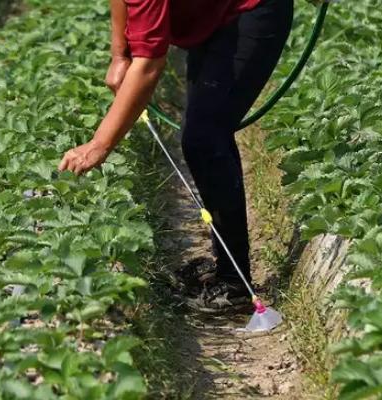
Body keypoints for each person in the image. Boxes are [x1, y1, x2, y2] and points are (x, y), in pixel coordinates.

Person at [59, 0, 294, 313]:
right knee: (203, 131)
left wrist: (99, 144)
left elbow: (149, 67)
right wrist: (120, 53)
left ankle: (234, 283)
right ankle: (226, 269)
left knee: (204, 137)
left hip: (253, 10)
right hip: (210, 15)